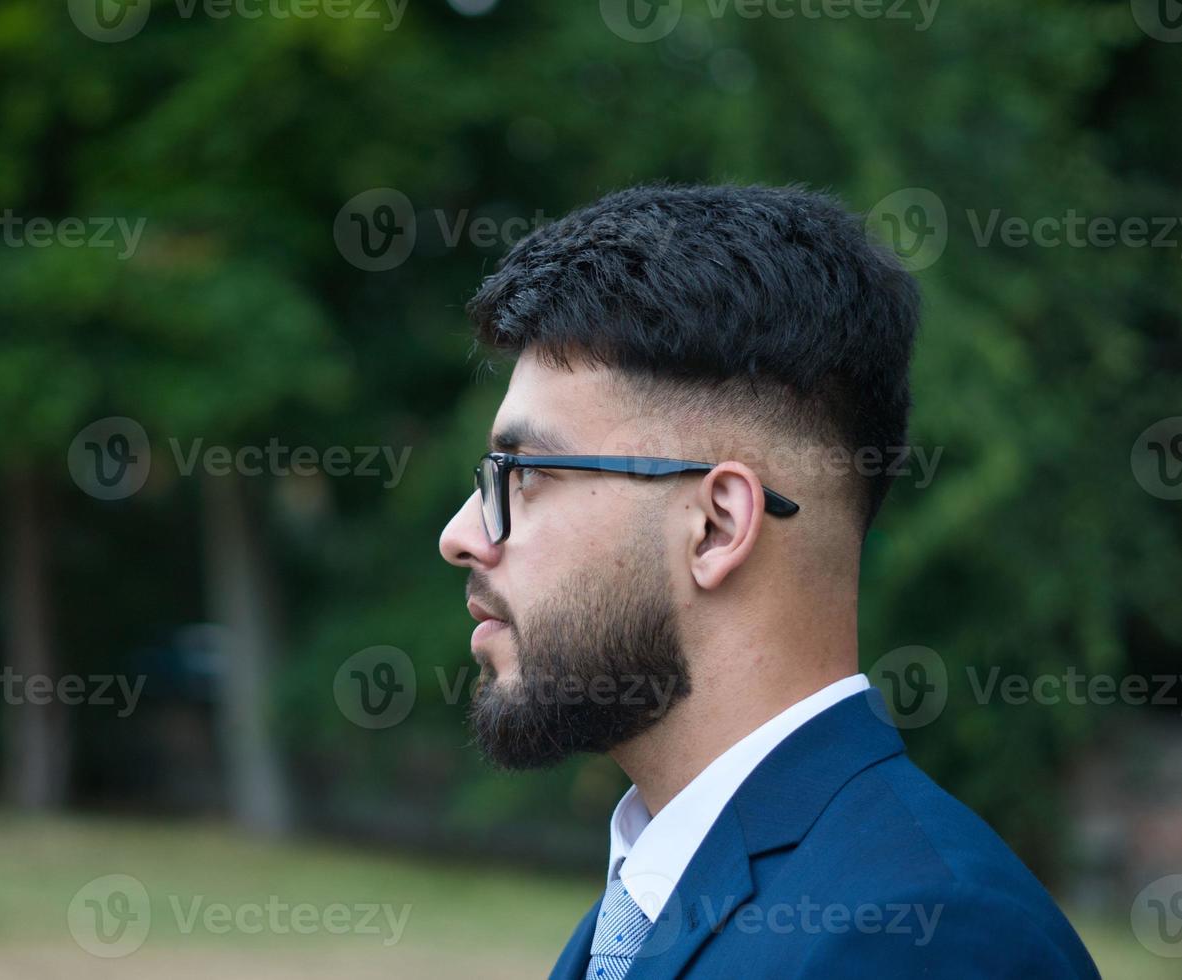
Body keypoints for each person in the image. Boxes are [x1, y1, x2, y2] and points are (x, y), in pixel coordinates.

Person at [436, 183, 1100, 978]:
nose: (462, 535)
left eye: (523, 473)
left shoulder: (927, 938)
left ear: (716, 525)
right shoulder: (647, 906)